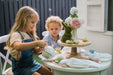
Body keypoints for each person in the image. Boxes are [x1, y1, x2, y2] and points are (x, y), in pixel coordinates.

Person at [5, 6, 52, 75]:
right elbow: (18, 46)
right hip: (21, 68)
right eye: (32, 22)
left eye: (35, 23)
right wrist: (36, 43)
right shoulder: (16, 34)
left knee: (49, 73)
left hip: (32, 64)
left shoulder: (29, 35)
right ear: (23, 20)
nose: (34, 25)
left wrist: (41, 48)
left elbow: (35, 50)